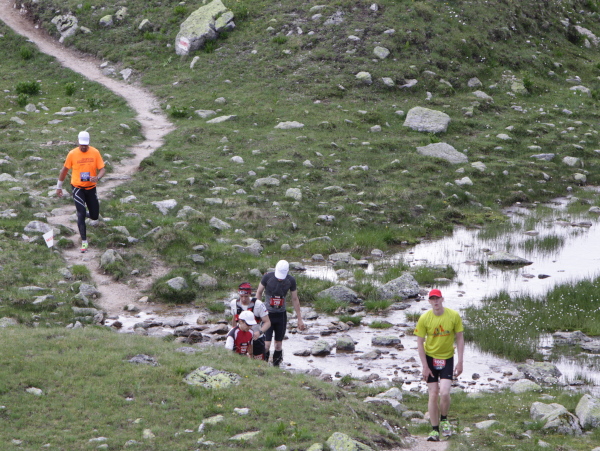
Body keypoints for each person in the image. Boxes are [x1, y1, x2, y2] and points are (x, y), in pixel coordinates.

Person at [415, 289, 464, 442]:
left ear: (442, 299)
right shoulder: (424, 318)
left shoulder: (453, 315)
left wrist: (460, 362)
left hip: (447, 358)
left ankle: (444, 420)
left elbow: (460, 338)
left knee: (444, 392)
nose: (435, 301)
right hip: (430, 358)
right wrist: (424, 366)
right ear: (429, 301)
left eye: (437, 298)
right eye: (432, 299)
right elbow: (419, 342)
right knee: (433, 393)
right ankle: (434, 430)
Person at [56, 131, 105, 253]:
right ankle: (84, 241)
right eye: (81, 145)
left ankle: (82, 214)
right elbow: (64, 170)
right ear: (78, 142)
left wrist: (97, 178)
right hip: (77, 187)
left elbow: (102, 169)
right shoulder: (72, 154)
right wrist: (59, 186)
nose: (83, 147)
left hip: (91, 187)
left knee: (94, 216)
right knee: (81, 212)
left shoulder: (95, 152)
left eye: (85, 145)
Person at [255, 260, 306, 366]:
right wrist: (257, 312)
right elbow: (259, 292)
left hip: (281, 316)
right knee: (266, 345)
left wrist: (299, 319)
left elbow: (295, 298)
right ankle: (263, 366)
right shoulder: (267, 277)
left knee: (278, 345)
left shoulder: (291, 280)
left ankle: (276, 366)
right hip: (267, 315)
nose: (279, 279)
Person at [229, 282, 271, 360]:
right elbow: (234, 319)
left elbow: (268, 322)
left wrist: (260, 332)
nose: (243, 299)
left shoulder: (258, 304)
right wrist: (233, 331)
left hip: (256, 337)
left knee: (259, 361)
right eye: (241, 296)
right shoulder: (234, 303)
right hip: (241, 338)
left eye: (246, 296)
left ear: (250, 294)